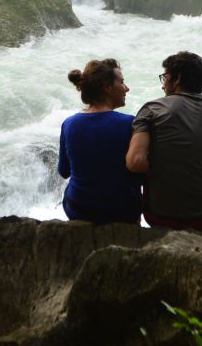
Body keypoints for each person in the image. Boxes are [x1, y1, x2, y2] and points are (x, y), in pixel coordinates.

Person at [125, 51, 202, 232]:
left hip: (157, 216)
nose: (163, 85)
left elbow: (134, 163)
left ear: (177, 79)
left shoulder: (152, 109)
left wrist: (163, 163)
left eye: (165, 77)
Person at [58, 58, 143, 224]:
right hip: (121, 212)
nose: (127, 88)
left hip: (78, 209)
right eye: (121, 82)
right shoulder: (130, 123)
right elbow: (139, 176)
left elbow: (64, 171)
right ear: (107, 88)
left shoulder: (69, 123)